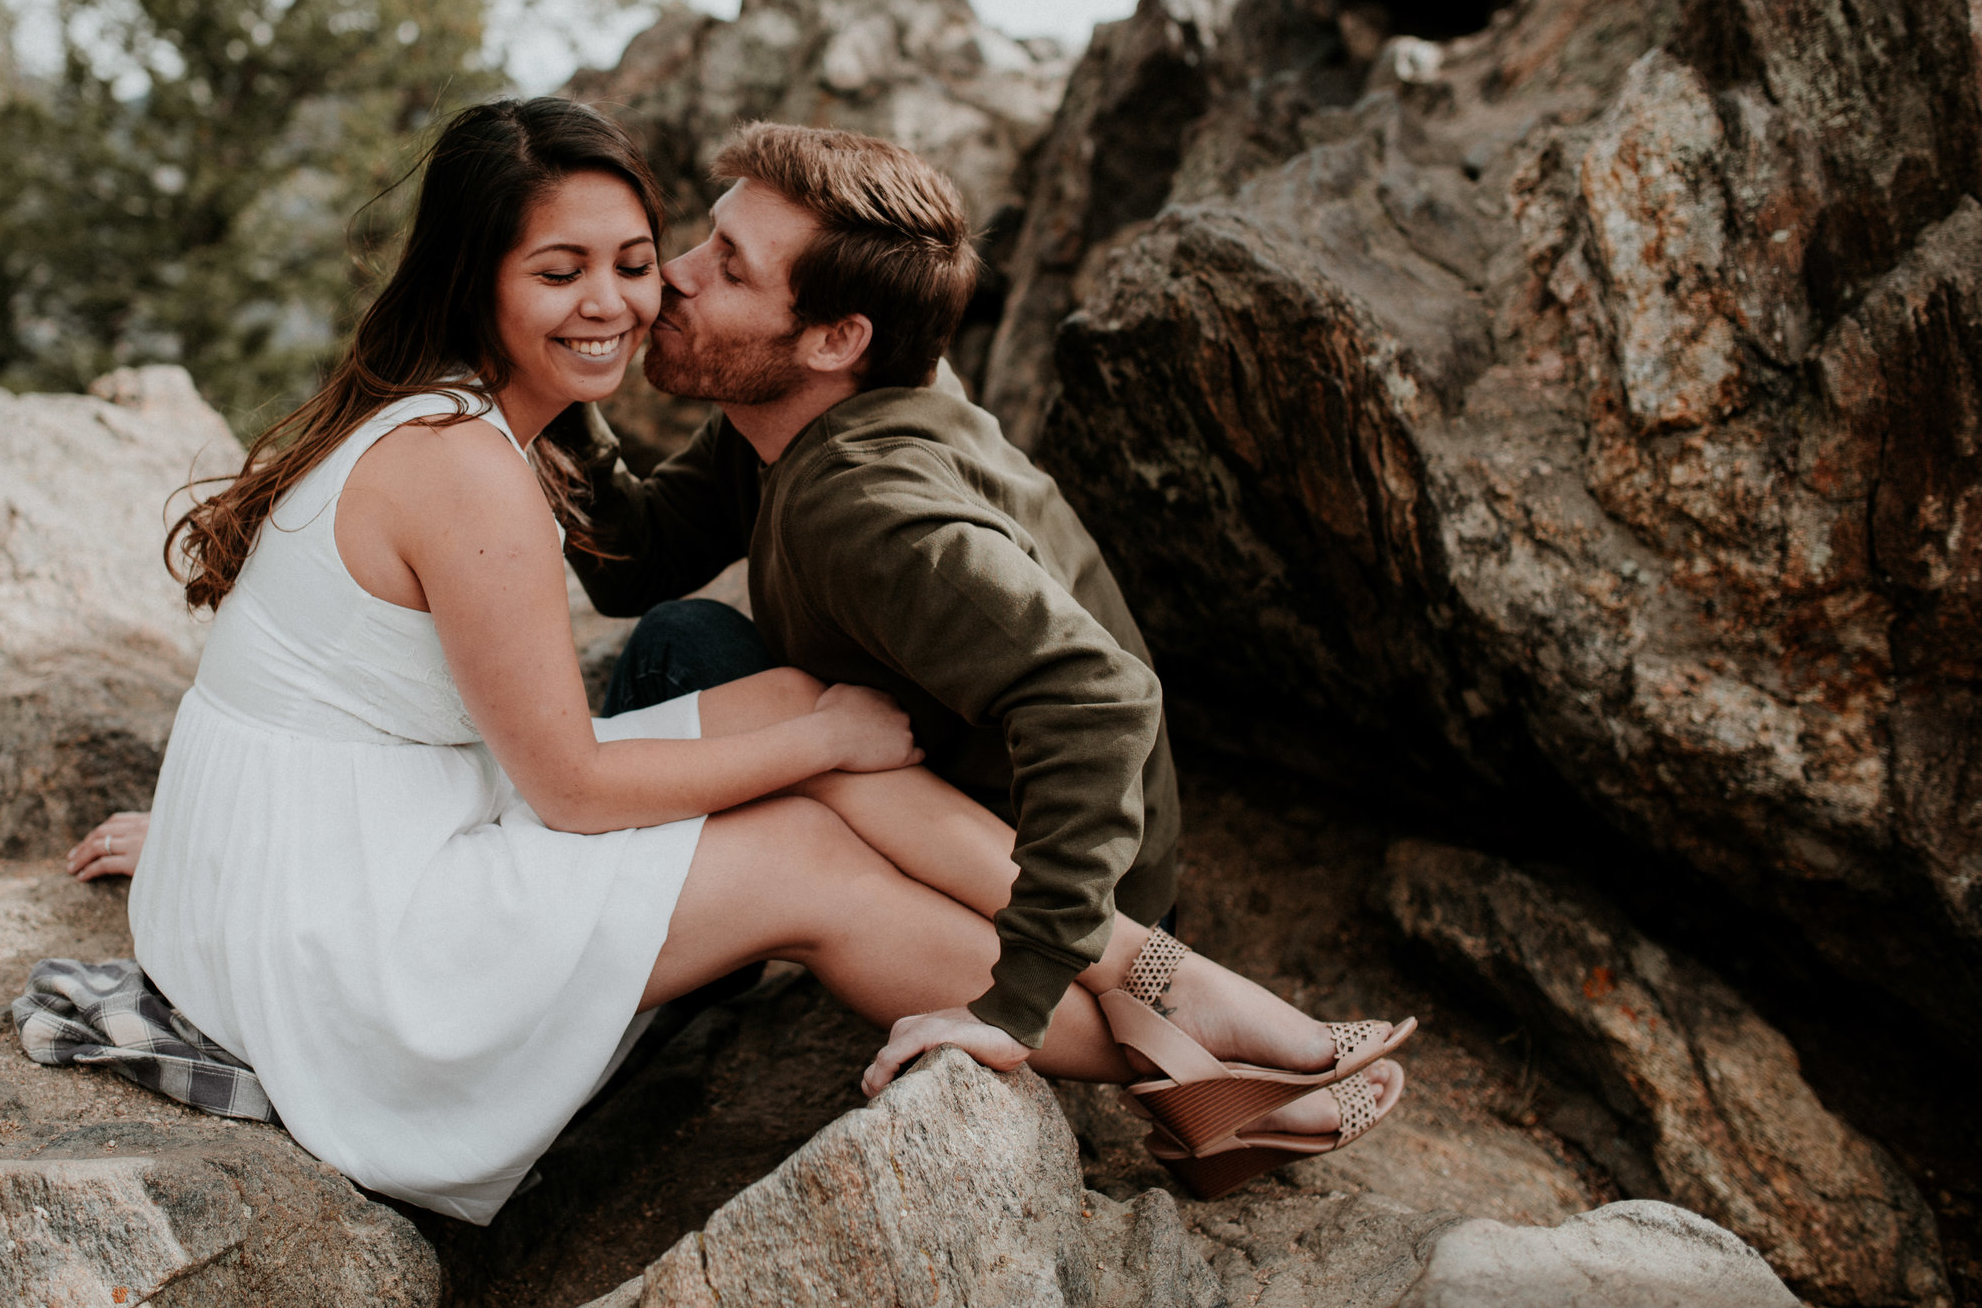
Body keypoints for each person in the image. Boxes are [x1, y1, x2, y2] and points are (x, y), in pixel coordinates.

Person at [89, 99, 1409, 1222]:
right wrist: (250, 845)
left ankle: (1161, 997)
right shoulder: (484, 462)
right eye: (568, 271)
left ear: (833, 340)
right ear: (476, 273)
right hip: (366, 945)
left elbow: (1094, 702)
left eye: (654, 259)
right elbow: (570, 742)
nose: (643, 291)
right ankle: (1188, 1045)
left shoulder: (458, 418)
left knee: (781, 714)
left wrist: (237, 829)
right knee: (802, 818)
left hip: (1032, 825)